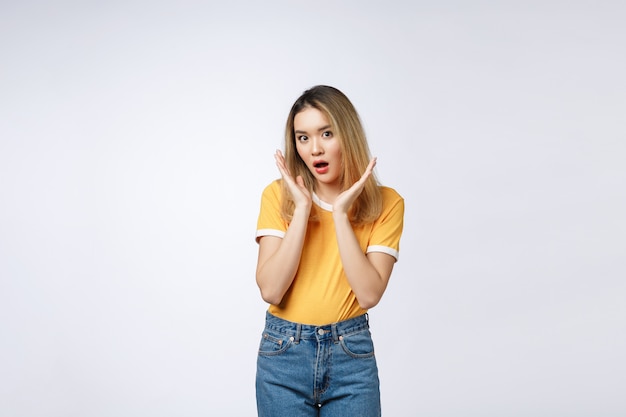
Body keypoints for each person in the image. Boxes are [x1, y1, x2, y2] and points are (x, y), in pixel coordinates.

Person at [254, 85, 404, 417]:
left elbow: (368, 294)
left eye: (326, 133)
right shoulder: (277, 196)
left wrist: (339, 215)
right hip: (284, 355)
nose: (315, 149)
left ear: (347, 135)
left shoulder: (387, 203)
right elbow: (271, 289)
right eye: (303, 137)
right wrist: (303, 210)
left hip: (351, 355)